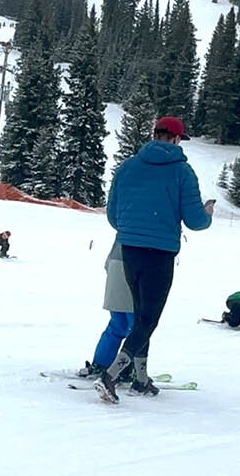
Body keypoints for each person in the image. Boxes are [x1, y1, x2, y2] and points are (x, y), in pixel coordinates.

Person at [96, 115, 215, 402]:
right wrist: (208, 213)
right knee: (148, 319)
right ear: (176, 139)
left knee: (140, 315)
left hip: (129, 250)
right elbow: (195, 221)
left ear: (154, 134)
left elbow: (113, 215)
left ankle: (141, 378)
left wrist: (133, 228)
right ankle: (110, 375)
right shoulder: (181, 171)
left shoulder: (128, 167)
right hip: (159, 253)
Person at [76, 243, 134, 382]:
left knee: (117, 325)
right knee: (137, 328)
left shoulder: (125, 223)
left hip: (115, 265)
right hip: (136, 268)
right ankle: (133, 369)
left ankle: (101, 364)